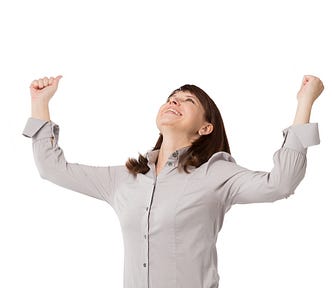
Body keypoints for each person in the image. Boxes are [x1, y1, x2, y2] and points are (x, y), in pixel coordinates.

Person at [22, 75, 324, 288]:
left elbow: (281, 184)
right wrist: (40, 103)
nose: (174, 102)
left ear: (206, 127)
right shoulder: (125, 179)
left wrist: (304, 103)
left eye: (187, 100)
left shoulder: (216, 174)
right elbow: (51, 168)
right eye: (171, 98)